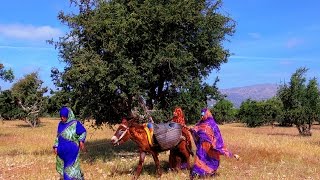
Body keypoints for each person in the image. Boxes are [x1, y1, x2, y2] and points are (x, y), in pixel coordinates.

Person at [189, 108, 239, 179]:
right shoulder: (200, 123)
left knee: (210, 159)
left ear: (207, 114)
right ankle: (196, 173)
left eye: (203, 115)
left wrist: (216, 145)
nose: (202, 116)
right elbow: (196, 129)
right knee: (200, 157)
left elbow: (217, 136)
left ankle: (207, 172)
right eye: (201, 115)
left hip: (210, 146)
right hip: (201, 145)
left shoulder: (212, 124)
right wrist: (192, 130)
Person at [53, 106, 87, 180]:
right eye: (61, 116)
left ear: (68, 115)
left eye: (64, 116)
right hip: (61, 152)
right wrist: (55, 146)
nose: (62, 118)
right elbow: (58, 135)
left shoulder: (75, 123)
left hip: (72, 152)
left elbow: (83, 132)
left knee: (69, 171)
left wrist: (81, 141)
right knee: (65, 170)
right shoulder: (60, 124)